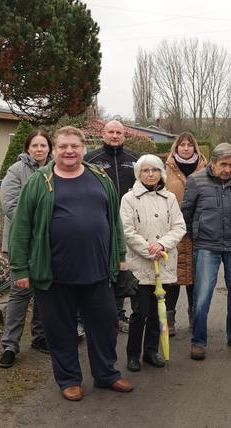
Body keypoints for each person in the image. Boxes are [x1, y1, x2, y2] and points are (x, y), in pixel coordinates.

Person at [9, 126, 133, 401]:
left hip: (98, 270)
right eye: (63, 146)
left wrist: (120, 255)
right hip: (54, 275)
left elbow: (114, 221)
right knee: (60, 330)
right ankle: (69, 379)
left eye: (74, 146)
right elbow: (21, 226)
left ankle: (106, 374)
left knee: (105, 325)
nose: (69, 151)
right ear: (54, 150)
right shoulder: (39, 182)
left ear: (83, 149)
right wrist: (20, 268)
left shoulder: (100, 177)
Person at [181, 143, 231, 360]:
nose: (228, 169)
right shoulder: (196, 181)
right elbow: (186, 212)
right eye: (223, 164)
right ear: (212, 162)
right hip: (207, 245)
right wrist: (195, 235)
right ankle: (198, 341)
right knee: (202, 295)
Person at [121, 154, 186, 372]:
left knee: (159, 311)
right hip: (140, 266)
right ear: (138, 173)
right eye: (146, 170)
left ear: (161, 173)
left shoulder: (169, 198)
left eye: (155, 170)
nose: (151, 174)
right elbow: (127, 230)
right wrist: (149, 249)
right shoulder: (129, 199)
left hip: (163, 264)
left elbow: (179, 226)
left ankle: (150, 351)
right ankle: (133, 354)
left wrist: (162, 245)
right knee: (140, 312)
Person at [0, 129, 52, 368]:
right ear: (27, 148)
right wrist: (37, 226)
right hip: (22, 242)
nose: (39, 149)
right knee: (20, 293)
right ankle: (10, 345)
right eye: (35, 146)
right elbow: (10, 205)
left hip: (48, 242)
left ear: (49, 148)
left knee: (44, 290)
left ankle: (40, 337)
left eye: (43, 145)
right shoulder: (16, 171)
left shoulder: (55, 170)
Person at [85, 120, 140, 334]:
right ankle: (98, 315)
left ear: (124, 135)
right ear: (103, 134)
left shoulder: (135, 159)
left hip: (130, 224)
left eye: (119, 132)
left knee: (125, 269)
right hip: (101, 222)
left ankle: (121, 315)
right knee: (104, 269)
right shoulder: (90, 160)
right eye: (111, 132)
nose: (115, 136)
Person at [163, 132, 207, 336]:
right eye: (183, 145)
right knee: (173, 275)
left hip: (200, 228)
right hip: (173, 229)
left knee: (195, 276)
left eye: (190, 145)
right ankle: (169, 318)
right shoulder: (166, 168)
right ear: (176, 147)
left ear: (195, 147)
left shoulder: (205, 167)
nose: (186, 148)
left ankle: (194, 316)